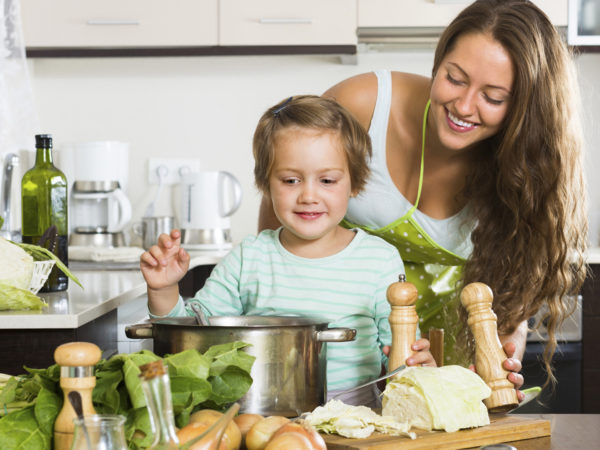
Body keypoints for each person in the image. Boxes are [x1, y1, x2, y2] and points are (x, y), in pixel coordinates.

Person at [259, 0, 588, 399]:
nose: (464, 106)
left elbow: (509, 300)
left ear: (524, 110)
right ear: (438, 62)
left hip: (444, 376)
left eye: (494, 97)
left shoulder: (527, 174)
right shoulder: (363, 106)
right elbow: (280, 222)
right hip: (332, 366)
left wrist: (503, 351)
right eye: (455, 77)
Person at [141, 95, 436, 407]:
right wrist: (164, 288)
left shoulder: (379, 261)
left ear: (355, 183)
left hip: (357, 423)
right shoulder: (248, 259)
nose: (308, 195)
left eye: (327, 180)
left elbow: (403, 358)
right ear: (267, 184)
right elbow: (192, 336)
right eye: (291, 180)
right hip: (261, 419)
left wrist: (422, 369)